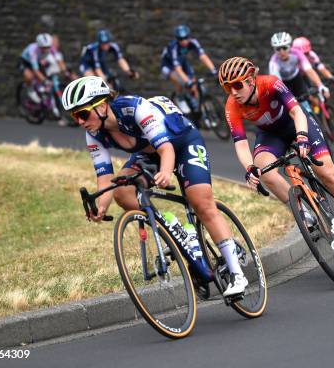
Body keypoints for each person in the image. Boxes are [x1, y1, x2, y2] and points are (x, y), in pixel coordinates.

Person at [61, 76, 247, 296]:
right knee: (121, 189)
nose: (80, 121)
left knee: (201, 202)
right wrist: (101, 207)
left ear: (101, 106)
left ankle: (237, 275)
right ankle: (174, 227)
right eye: (75, 116)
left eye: (83, 114)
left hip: (182, 142)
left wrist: (166, 172)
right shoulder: (93, 135)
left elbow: (166, 149)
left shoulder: (133, 108)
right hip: (149, 152)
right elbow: (105, 177)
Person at [219, 56, 334, 238]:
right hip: (271, 135)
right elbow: (241, 144)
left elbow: (296, 112)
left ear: (251, 81)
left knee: (327, 173)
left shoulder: (271, 84)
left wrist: (303, 137)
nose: (233, 92)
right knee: (265, 172)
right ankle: (306, 216)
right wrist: (250, 169)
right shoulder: (231, 106)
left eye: (237, 85)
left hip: (296, 123)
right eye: (227, 87)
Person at [268, 32, 330, 113]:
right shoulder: (273, 62)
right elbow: (277, 83)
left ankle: (312, 115)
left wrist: (320, 85)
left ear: (290, 47)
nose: (281, 51)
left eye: (284, 48)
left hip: (297, 79)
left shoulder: (297, 53)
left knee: (306, 105)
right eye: (278, 49)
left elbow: (309, 70)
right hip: (284, 83)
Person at [159, 24, 216, 110]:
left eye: (186, 38)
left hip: (182, 61)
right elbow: (177, 69)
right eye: (180, 39)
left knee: (194, 83)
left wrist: (213, 70)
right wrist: (187, 81)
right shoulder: (173, 47)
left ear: (189, 37)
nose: (184, 41)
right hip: (168, 65)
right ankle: (179, 97)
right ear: (177, 39)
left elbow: (203, 56)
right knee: (180, 81)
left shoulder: (193, 42)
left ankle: (200, 107)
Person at [18, 33, 65, 103]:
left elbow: (59, 60)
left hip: (38, 61)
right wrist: (44, 81)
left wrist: (65, 71)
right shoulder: (33, 50)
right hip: (25, 62)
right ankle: (30, 90)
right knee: (30, 76)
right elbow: (35, 70)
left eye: (48, 47)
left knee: (46, 71)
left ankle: (42, 90)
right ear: (39, 46)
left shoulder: (51, 47)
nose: (46, 50)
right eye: (44, 48)